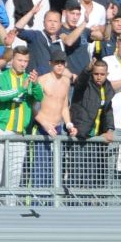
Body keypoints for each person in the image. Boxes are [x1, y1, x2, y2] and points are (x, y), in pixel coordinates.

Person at [0, 47, 43, 197]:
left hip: (19, 133)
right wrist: (21, 88)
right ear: (12, 59)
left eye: (26, 61)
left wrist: (36, 84)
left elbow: (38, 98)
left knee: (15, 175)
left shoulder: (29, 79)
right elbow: (1, 95)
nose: (23, 64)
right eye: (20, 60)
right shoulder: (1, 76)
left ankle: (10, 211)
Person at [33, 50, 78, 190]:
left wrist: (69, 124)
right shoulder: (42, 80)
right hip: (41, 129)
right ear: (50, 63)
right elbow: (33, 109)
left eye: (62, 62)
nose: (59, 65)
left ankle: (52, 204)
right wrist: (45, 124)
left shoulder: (66, 82)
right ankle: (37, 204)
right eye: (56, 62)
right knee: (40, 170)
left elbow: (64, 107)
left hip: (57, 130)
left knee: (55, 169)